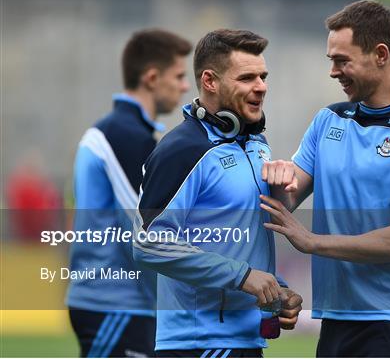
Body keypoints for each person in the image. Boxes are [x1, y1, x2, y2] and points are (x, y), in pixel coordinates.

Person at [260, 0, 390, 357]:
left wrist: (315, 242)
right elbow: (285, 199)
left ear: (380, 54)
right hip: (337, 318)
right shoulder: (328, 121)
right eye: (331, 61)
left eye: (342, 60)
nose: (333, 71)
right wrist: (277, 178)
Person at [133, 29, 302, 358]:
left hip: (244, 341)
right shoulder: (182, 150)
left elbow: (237, 245)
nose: (261, 86)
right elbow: (148, 243)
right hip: (199, 344)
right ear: (209, 81)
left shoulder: (256, 144)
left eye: (263, 76)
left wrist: (276, 289)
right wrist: (243, 277)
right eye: (247, 77)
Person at [66, 29, 192, 357]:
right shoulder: (125, 137)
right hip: (116, 302)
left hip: (118, 302)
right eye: (178, 76)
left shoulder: (115, 130)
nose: (185, 86)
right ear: (152, 77)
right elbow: (143, 237)